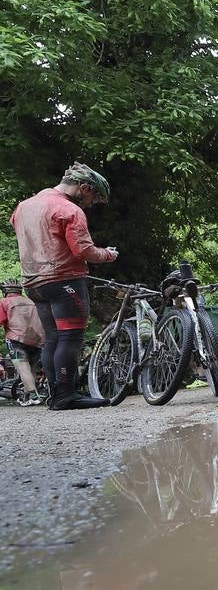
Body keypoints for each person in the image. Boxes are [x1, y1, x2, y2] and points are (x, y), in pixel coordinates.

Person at [9, 162, 118, 409]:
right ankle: (66, 395)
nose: (91, 203)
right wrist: (108, 254)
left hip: (34, 283)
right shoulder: (69, 209)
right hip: (64, 280)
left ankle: (55, 395)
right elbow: (83, 250)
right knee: (71, 338)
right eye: (94, 196)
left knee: (52, 339)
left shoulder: (23, 207)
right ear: (84, 187)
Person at [0, 281, 45, 405]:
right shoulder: (31, 302)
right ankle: (26, 397)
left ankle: (34, 396)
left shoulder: (4, 302)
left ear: (6, 291)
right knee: (32, 369)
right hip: (37, 340)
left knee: (23, 368)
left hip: (16, 339)